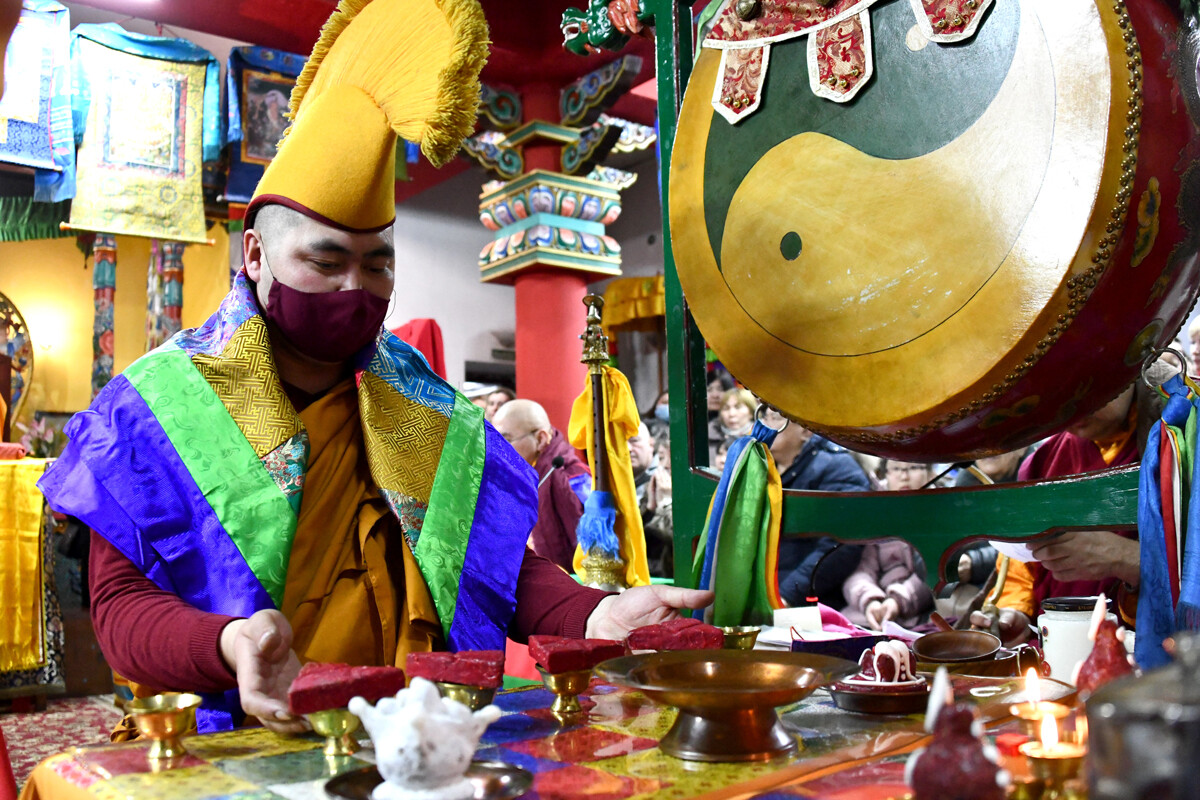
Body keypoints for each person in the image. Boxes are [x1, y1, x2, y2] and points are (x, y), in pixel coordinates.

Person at [36, 0, 709, 736]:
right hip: (251, 735)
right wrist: (227, 644)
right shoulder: (160, 403)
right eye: (324, 262)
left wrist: (594, 609)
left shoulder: (417, 401)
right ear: (255, 258)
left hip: (423, 734)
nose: (354, 288)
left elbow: (486, 566)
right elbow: (121, 606)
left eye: (377, 265)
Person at [971, 367, 1171, 645]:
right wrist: (1016, 615)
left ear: (1130, 366)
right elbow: (1021, 569)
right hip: (1054, 648)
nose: (1071, 408)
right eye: (1056, 396)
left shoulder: (1181, 438)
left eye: (1085, 387)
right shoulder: (1043, 462)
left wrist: (1125, 557)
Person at [765, 409, 872, 607]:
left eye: (776, 417)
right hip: (768, 595)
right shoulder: (763, 469)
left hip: (811, 604)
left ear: (806, 430)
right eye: (764, 416)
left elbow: (840, 545)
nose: (766, 424)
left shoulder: (838, 468)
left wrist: (787, 595)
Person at [491, 399, 590, 571]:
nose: (499, 450)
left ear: (541, 438)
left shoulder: (574, 477)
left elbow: (591, 545)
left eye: (506, 440)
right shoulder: (512, 477)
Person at [841, 461, 934, 630]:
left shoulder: (942, 508)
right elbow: (861, 570)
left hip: (920, 611)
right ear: (886, 474)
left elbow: (934, 571)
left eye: (913, 467)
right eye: (896, 469)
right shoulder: (876, 509)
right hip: (873, 609)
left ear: (931, 473)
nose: (904, 476)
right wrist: (870, 600)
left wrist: (897, 601)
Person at [639, 420, 673, 577]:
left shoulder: (700, 490)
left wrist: (667, 503)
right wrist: (650, 509)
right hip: (650, 572)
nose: (665, 465)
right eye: (661, 458)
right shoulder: (651, 485)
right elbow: (639, 539)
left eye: (672, 458)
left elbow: (676, 540)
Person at [709, 387, 755, 462]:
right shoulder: (709, 438)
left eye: (738, 407)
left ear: (751, 412)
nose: (731, 414)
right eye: (726, 408)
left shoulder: (760, 439)